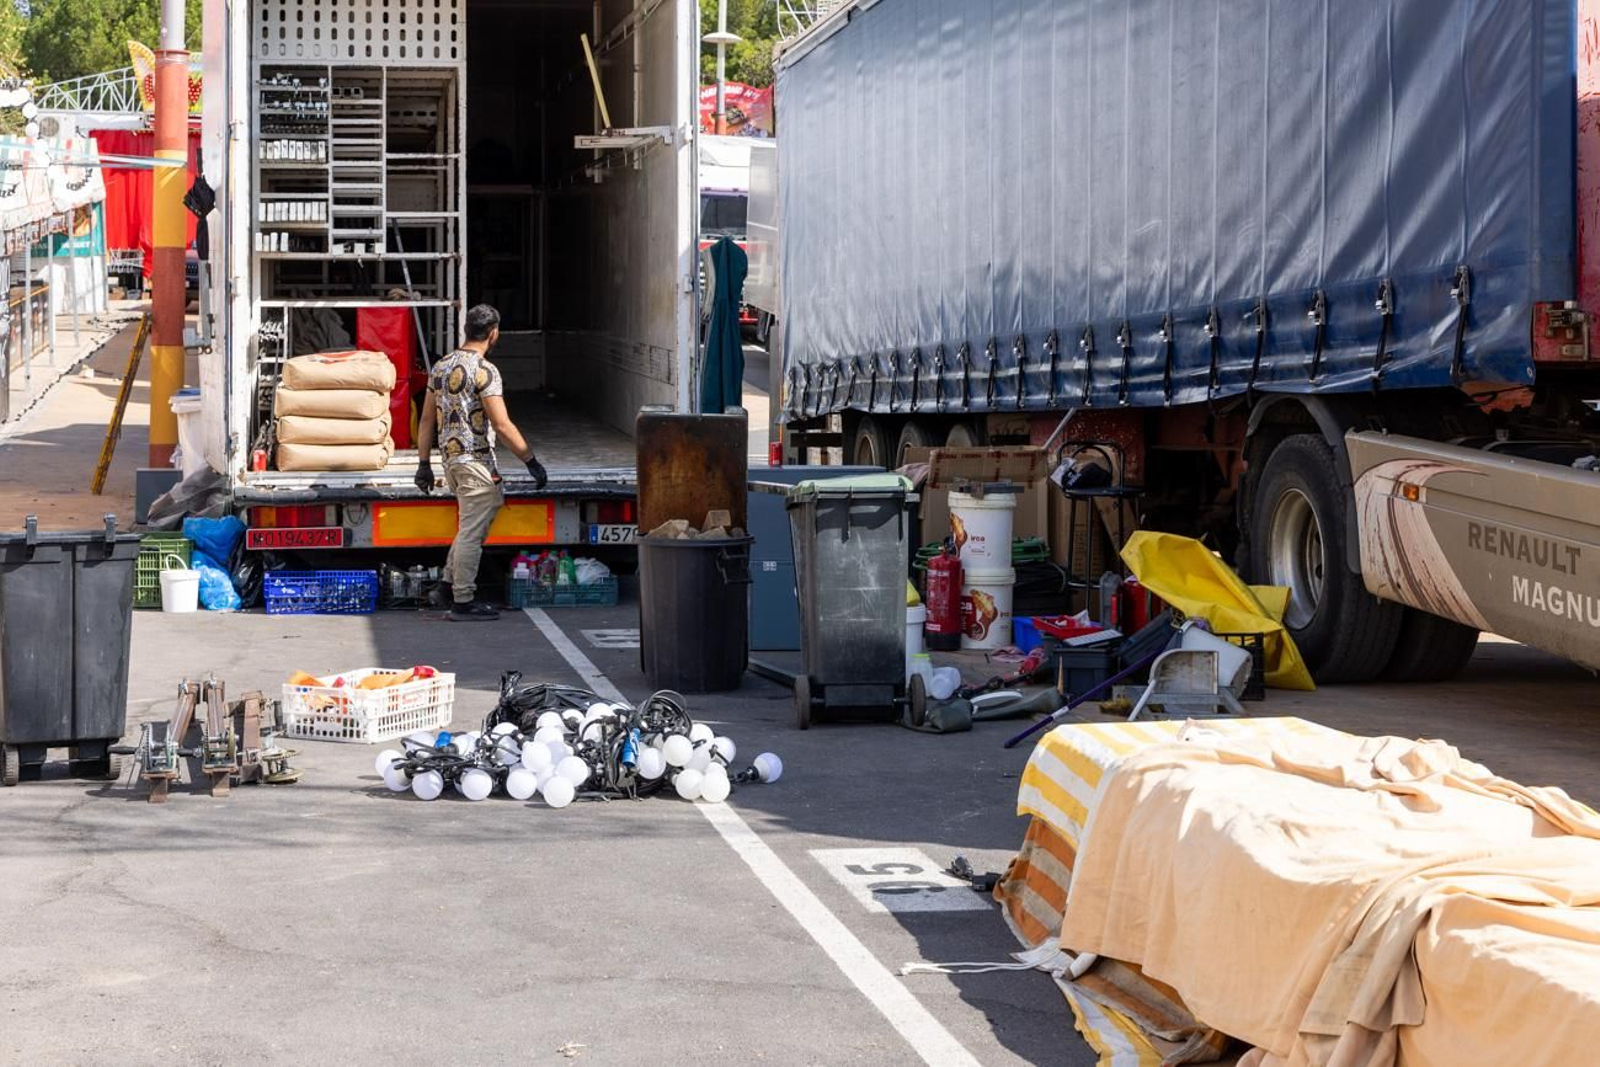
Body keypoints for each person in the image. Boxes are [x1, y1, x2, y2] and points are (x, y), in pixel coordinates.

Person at [415, 304, 547, 621]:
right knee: (473, 534)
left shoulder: (441, 366)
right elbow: (502, 425)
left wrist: (424, 463)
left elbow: (426, 419)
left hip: (451, 460)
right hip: (475, 462)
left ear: (465, 330)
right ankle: (462, 601)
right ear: (493, 333)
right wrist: (530, 460)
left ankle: (446, 587)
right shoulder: (485, 371)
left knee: (469, 526)